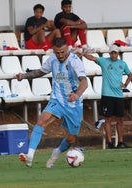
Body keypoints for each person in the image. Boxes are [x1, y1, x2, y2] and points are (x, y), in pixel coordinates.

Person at [15, 37, 88, 168]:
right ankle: (30, 156)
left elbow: (84, 81)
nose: (60, 55)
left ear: (68, 49)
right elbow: (39, 72)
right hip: (57, 99)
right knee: (41, 121)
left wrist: (77, 95)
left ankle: (56, 152)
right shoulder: (52, 60)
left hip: (74, 104)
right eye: (57, 52)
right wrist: (23, 76)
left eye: (63, 52)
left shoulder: (75, 62)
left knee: (71, 138)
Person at [83, 45, 132, 149]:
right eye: (112, 53)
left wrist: (125, 84)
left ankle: (120, 142)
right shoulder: (104, 61)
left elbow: (130, 74)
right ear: (109, 53)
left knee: (120, 119)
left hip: (118, 95)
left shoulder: (122, 64)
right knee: (107, 119)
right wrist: (84, 53)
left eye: (115, 52)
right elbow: (92, 58)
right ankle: (110, 143)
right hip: (107, 94)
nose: (113, 54)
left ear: (117, 53)